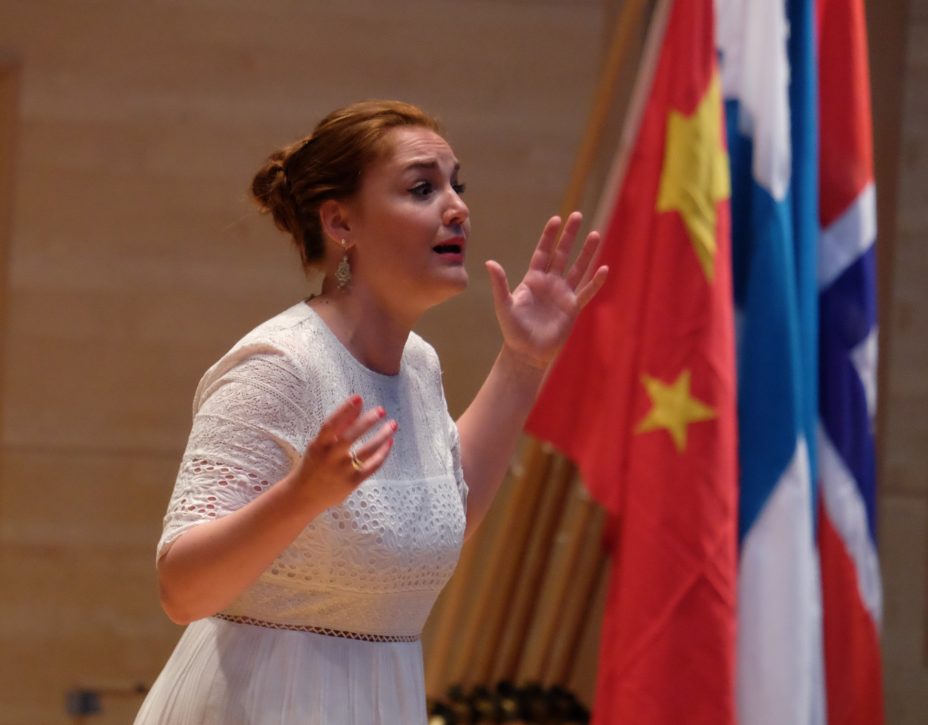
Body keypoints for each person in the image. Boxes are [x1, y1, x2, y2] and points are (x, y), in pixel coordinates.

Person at [134, 100, 608, 724]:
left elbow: (441, 518)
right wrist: (303, 494)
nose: (457, 207)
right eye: (421, 188)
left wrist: (523, 361)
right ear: (340, 222)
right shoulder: (279, 365)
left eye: (455, 185)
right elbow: (180, 588)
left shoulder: (419, 364)